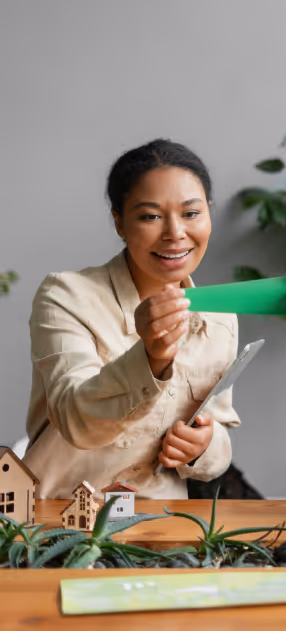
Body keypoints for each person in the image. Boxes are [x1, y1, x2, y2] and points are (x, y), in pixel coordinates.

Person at [25, 139, 241, 499]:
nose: (175, 233)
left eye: (191, 213)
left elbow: (217, 428)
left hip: (162, 524)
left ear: (209, 214)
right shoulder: (66, 296)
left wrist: (203, 446)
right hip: (59, 521)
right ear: (119, 223)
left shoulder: (219, 317)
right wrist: (150, 359)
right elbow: (76, 421)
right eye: (150, 216)